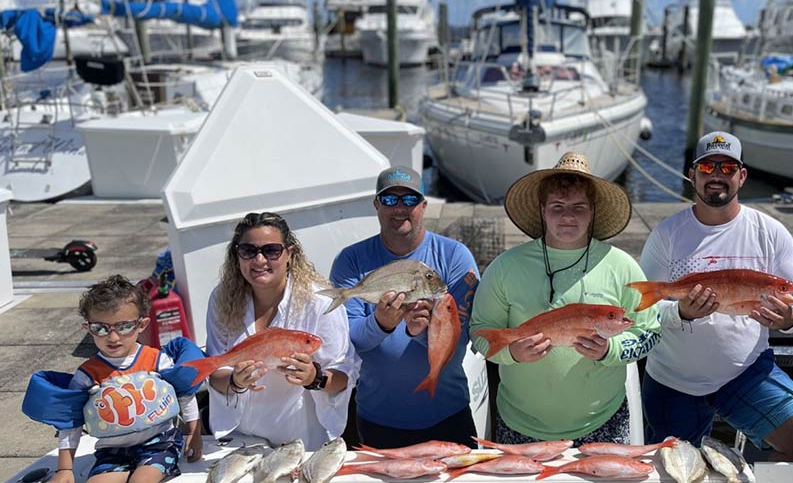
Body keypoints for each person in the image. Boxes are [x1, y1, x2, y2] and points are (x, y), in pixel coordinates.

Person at [640, 131, 793, 460]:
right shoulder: (667, 234)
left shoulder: (771, 233)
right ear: (692, 175)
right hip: (674, 378)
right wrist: (682, 313)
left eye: (727, 168)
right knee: (676, 473)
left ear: (742, 176)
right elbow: (643, 315)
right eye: (707, 167)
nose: (716, 175)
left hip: (747, 371)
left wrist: (789, 318)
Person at [36, 275, 202, 483]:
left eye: (123, 327)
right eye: (101, 328)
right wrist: (65, 468)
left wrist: (193, 432)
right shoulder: (88, 374)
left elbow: (185, 393)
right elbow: (69, 423)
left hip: (158, 443)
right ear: (88, 328)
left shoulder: (156, 360)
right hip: (114, 452)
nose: (112, 337)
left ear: (141, 324)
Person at [470, 152, 660, 444]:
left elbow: (649, 333)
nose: (568, 216)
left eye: (579, 207)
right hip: (520, 424)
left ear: (593, 211)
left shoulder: (623, 267)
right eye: (557, 207)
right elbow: (482, 334)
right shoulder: (505, 267)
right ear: (542, 210)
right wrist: (512, 354)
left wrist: (610, 350)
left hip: (605, 422)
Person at [329, 166, 480, 448]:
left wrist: (420, 332)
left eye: (410, 200)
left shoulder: (455, 256)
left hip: (448, 414)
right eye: (389, 200)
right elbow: (349, 340)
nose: (400, 208)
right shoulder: (351, 260)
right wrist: (382, 323)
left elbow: (460, 337)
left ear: (423, 206)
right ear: (376, 204)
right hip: (378, 419)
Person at [205, 212, 359, 447]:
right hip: (241, 439)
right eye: (248, 250)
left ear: (289, 254)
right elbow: (215, 373)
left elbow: (344, 376)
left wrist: (313, 377)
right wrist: (236, 381)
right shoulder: (221, 298)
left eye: (271, 250)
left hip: (300, 440)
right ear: (236, 255)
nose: (259, 260)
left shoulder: (320, 302)